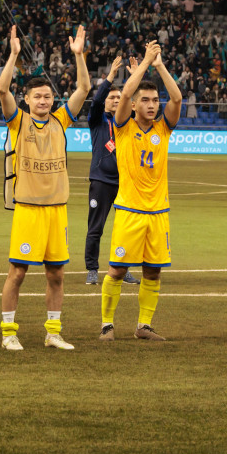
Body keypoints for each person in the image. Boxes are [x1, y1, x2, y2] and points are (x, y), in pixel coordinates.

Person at [0, 24, 90, 351]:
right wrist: (13, 55)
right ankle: (9, 333)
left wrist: (78, 55)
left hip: (57, 212)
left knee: (56, 275)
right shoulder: (18, 121)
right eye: (37, 96)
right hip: (28, 211)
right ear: (27, 99)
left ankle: (53, 332)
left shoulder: (61, 121)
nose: (43, 100)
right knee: (18, 273)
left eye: (48, 96)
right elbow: (1, 90)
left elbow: (84, 87)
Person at [99, 41, 183, 342]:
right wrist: (146, 62)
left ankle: (143, 326)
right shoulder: (123, 127)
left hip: (158, 213)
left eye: (154, 100)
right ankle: (107, 325)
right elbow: (124, 97)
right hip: (130, 211)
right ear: (133, 104)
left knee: (153, 272)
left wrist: (158, 65)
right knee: (117, 270)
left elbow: (177, 97)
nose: (151, 104)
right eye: (145, 100)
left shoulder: (163, 128)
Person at [83, 55, 137, 288]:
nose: (116, 100)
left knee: (125, 229)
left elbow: (136, 99)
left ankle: (123, 269)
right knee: (96, 227)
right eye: (112, 97)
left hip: (126, 181)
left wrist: (135, 77)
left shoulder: (129, 122)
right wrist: (111, 77)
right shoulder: (97, 120)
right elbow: (95, 103)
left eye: (119, 97)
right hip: (102, 181)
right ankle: (92, 270)